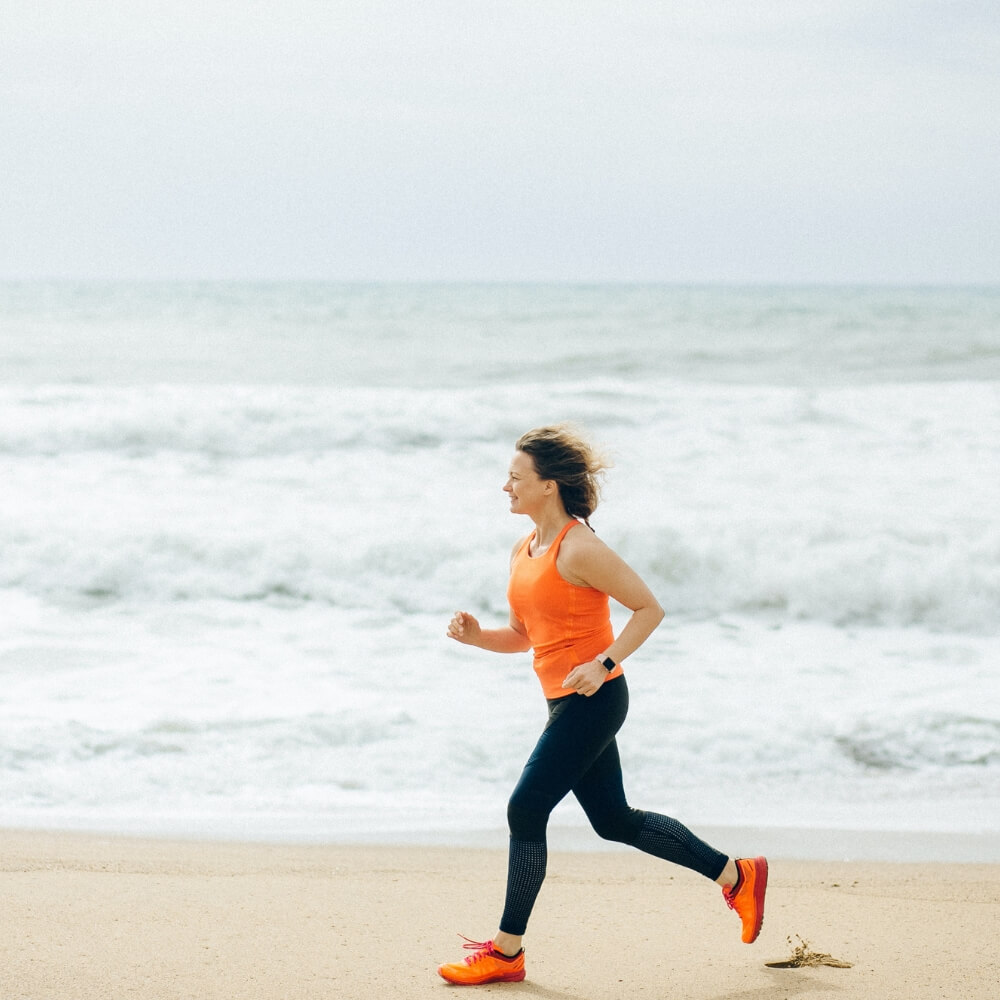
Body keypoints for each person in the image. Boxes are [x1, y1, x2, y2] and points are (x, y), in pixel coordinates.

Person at [437, 424, 767, 986]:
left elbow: (648, 608)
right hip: (563, 702)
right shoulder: (524, 548)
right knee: (614, 821)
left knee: (525, 807)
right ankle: (737, 876)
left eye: (516, 477)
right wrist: (477, 637)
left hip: (595, 699)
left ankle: (506, 952)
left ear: (549, 485)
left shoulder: (581, 546)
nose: (505, 487)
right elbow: (523, 634)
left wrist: (605, 663)